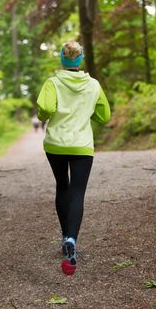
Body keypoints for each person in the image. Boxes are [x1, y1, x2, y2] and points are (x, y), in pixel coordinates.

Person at [36, 40, 110, 275]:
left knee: (62, 186)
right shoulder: (94, 85)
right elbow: (103, 115)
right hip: (81, 146)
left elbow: (44, 110)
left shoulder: (53, 83)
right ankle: (72, 239)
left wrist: (48, 112)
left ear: (62, 58)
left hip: (56, 145)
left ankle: (64, 236)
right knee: (78, 193)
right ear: (80, 59)